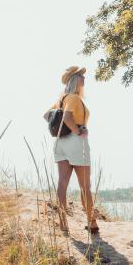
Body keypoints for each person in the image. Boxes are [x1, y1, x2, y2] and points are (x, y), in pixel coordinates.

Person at [45, 65, 97, 235]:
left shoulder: (61, 98)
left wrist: (63, 126)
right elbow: (67, 116)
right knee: (85, 186)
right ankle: (92, 223)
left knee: (62, 183)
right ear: (75, 80)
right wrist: (78, 130)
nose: (84, 78)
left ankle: (63, 224)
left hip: (60, 142)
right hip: (75, 142)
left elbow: (47, 115)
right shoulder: (74, 98)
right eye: (81, 76)